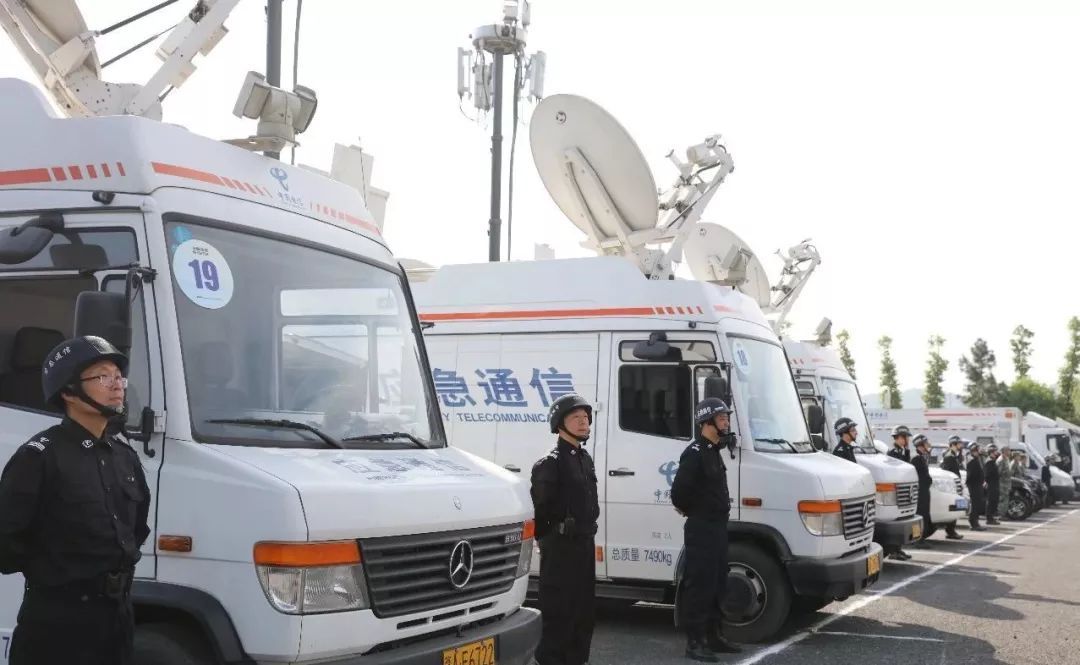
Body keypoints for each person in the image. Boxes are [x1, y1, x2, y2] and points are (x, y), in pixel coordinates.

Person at [0, 336, 150, 665]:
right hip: (57, 625)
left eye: (119, 376)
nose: (117, 385)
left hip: (117, 620)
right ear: (69, 391)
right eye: (102, 376)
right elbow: (6, 544)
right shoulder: (39, 457)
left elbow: (137, 528)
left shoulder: (124, 457)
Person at [531, 393, 600, 665]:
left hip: (584, 544)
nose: (584, 423)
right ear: (560, 423)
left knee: (584, 611)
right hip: (561, 547)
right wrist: (548, 540)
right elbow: (541, 509)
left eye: (586, 418)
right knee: (560, 611)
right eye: (576, 418)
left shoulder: (584, 458)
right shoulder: (550, 463)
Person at [671, 398, 742, 662]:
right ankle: (695, 642)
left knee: (717, 582)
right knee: (699, 585)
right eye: (722, 418)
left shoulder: (713, 450)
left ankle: (714, 636)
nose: (727, 422)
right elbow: (679, 494)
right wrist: (695, 511)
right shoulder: (695, 453)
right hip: (702, 528)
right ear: (707, 421)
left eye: (727, 418)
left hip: (717, 528)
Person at [910, 434, 934, 545]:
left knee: (925, 515)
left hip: (924, 491)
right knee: (919, 515)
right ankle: (918, 540)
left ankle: (922, 538)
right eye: (925, 443)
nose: (928, 445)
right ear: (920, 444)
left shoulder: (921, 457)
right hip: (920, 492)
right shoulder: (916, 458)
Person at [965, 442, 988, 531]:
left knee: (977, 504)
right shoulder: (972, 461)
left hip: (978, 485)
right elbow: (970, 476)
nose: (979, 451)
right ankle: (973, 523)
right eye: (977, 450)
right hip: (974, 486)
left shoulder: (976, 460)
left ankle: (976, 522)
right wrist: (977, 482)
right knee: (975, 505)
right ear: (973, 450)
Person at [984, 445, 1001, 525]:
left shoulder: (993, 461)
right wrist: (987, 482)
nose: (996, 453)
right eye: (995, 452)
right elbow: (987, 474)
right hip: (991, 484)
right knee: (991, 501)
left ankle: (991, 517)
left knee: (994, 501)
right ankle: (989, 518)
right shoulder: (989, 462)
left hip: (995, 483)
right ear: (991, 453)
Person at [997, 445, 1014, 519]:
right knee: (1002, 499)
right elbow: (999, 472)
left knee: (1006, 499)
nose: (1009, 452)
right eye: (1008, 450)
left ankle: (1004, 513)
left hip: (1006, 483)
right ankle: (1001, 514)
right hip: (1002, 483)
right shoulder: (1001, 460)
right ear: (1004, 451)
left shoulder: (1006, 459)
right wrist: (1007, 472)